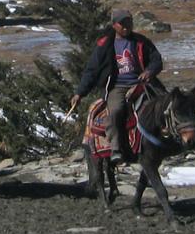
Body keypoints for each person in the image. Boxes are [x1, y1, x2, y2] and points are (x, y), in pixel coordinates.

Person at [70, 9, 163, 163]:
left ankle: (170, 140)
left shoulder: (141, 42)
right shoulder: (104, 45)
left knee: (165, 103)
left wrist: (149, 71)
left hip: (141, 83)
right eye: (123, 24)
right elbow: (92, 70)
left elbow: (156, 60)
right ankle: (116, 148)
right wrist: (80, 93)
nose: (126, 27)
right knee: (115, 111)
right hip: (117, 86)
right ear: (114, 25)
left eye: (129, 23)